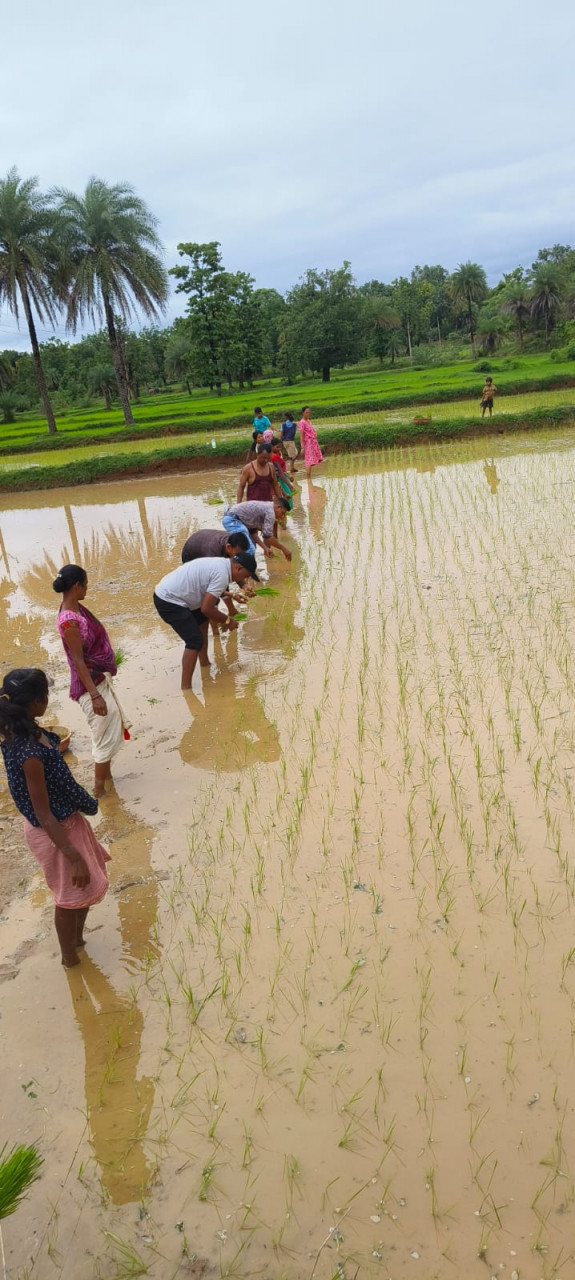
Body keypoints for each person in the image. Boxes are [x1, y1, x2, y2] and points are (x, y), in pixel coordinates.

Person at [0, 668, 110, 968]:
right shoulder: (29, 752)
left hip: (66, 821)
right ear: (37, 702)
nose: (49, 699)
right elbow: (42, 812)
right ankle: (69, 959)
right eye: (46, 695)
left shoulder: (32, 731)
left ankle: (77, 940)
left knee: (82, 887)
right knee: (68, 894)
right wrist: (71, 854)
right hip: (53, 830)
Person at [54, 565, 131, 798]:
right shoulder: (69, 621)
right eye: (86, 584)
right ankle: (98, 791)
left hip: (97, 679)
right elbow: (78, 660)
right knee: (102, 737)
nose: (87, 588)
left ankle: (108, 780)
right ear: (77, 586)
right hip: (90, 686)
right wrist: (95, 695)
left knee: (108, 729)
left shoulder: (75, 610)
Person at [153, 553, 259, 689]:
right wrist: (228, 620)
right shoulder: (222, 574)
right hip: (169, 600)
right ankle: (186, 688)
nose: (245, 579)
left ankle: (205, 664)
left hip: (180, 595)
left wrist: (231, 595)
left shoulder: (222, 565)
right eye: (246, 575)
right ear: (238, 568)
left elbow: (208, 586)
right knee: (194, 641)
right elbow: (206, 609)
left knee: (203, 623)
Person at [224, 498, 292, 560]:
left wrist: (265, 548)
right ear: (278, 507)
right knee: (249, 549)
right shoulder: (270, 512)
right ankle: (241, 570)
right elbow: (268, 537)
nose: (283, 516)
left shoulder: (267, 507)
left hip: (232, 519)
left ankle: (245, 569)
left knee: (252, 546)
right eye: (283, 513)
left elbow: (252, 533)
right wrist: (284, 549)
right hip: (232, 520)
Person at [181, 529, 249, 564]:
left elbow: (234, 568)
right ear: (228, 547)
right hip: (190, 554)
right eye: (238, 554)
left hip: (203, 542)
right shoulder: (214, 553)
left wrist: (243, 585)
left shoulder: (232, 542)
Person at [298, 406, 324, 478]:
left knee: (312, 459)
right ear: (303, 413)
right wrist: (302, 447)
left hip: (313, 442)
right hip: (308, 443)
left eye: (309, 412)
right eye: (306, 412)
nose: (308, 414)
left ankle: (309, 476)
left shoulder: (309, 421)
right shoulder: (301, 422)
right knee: (309, 459)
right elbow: (301, 435)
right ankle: (308, 476)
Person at [280, 412, 299, 478]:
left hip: (285, 441)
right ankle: (291, 469)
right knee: (293, 455)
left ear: (286, 417)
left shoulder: (283, 424)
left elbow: (281, 434)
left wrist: (280, 441)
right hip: (291, 441)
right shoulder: (294, 425)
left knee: (294, 454)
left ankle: (292, 467)